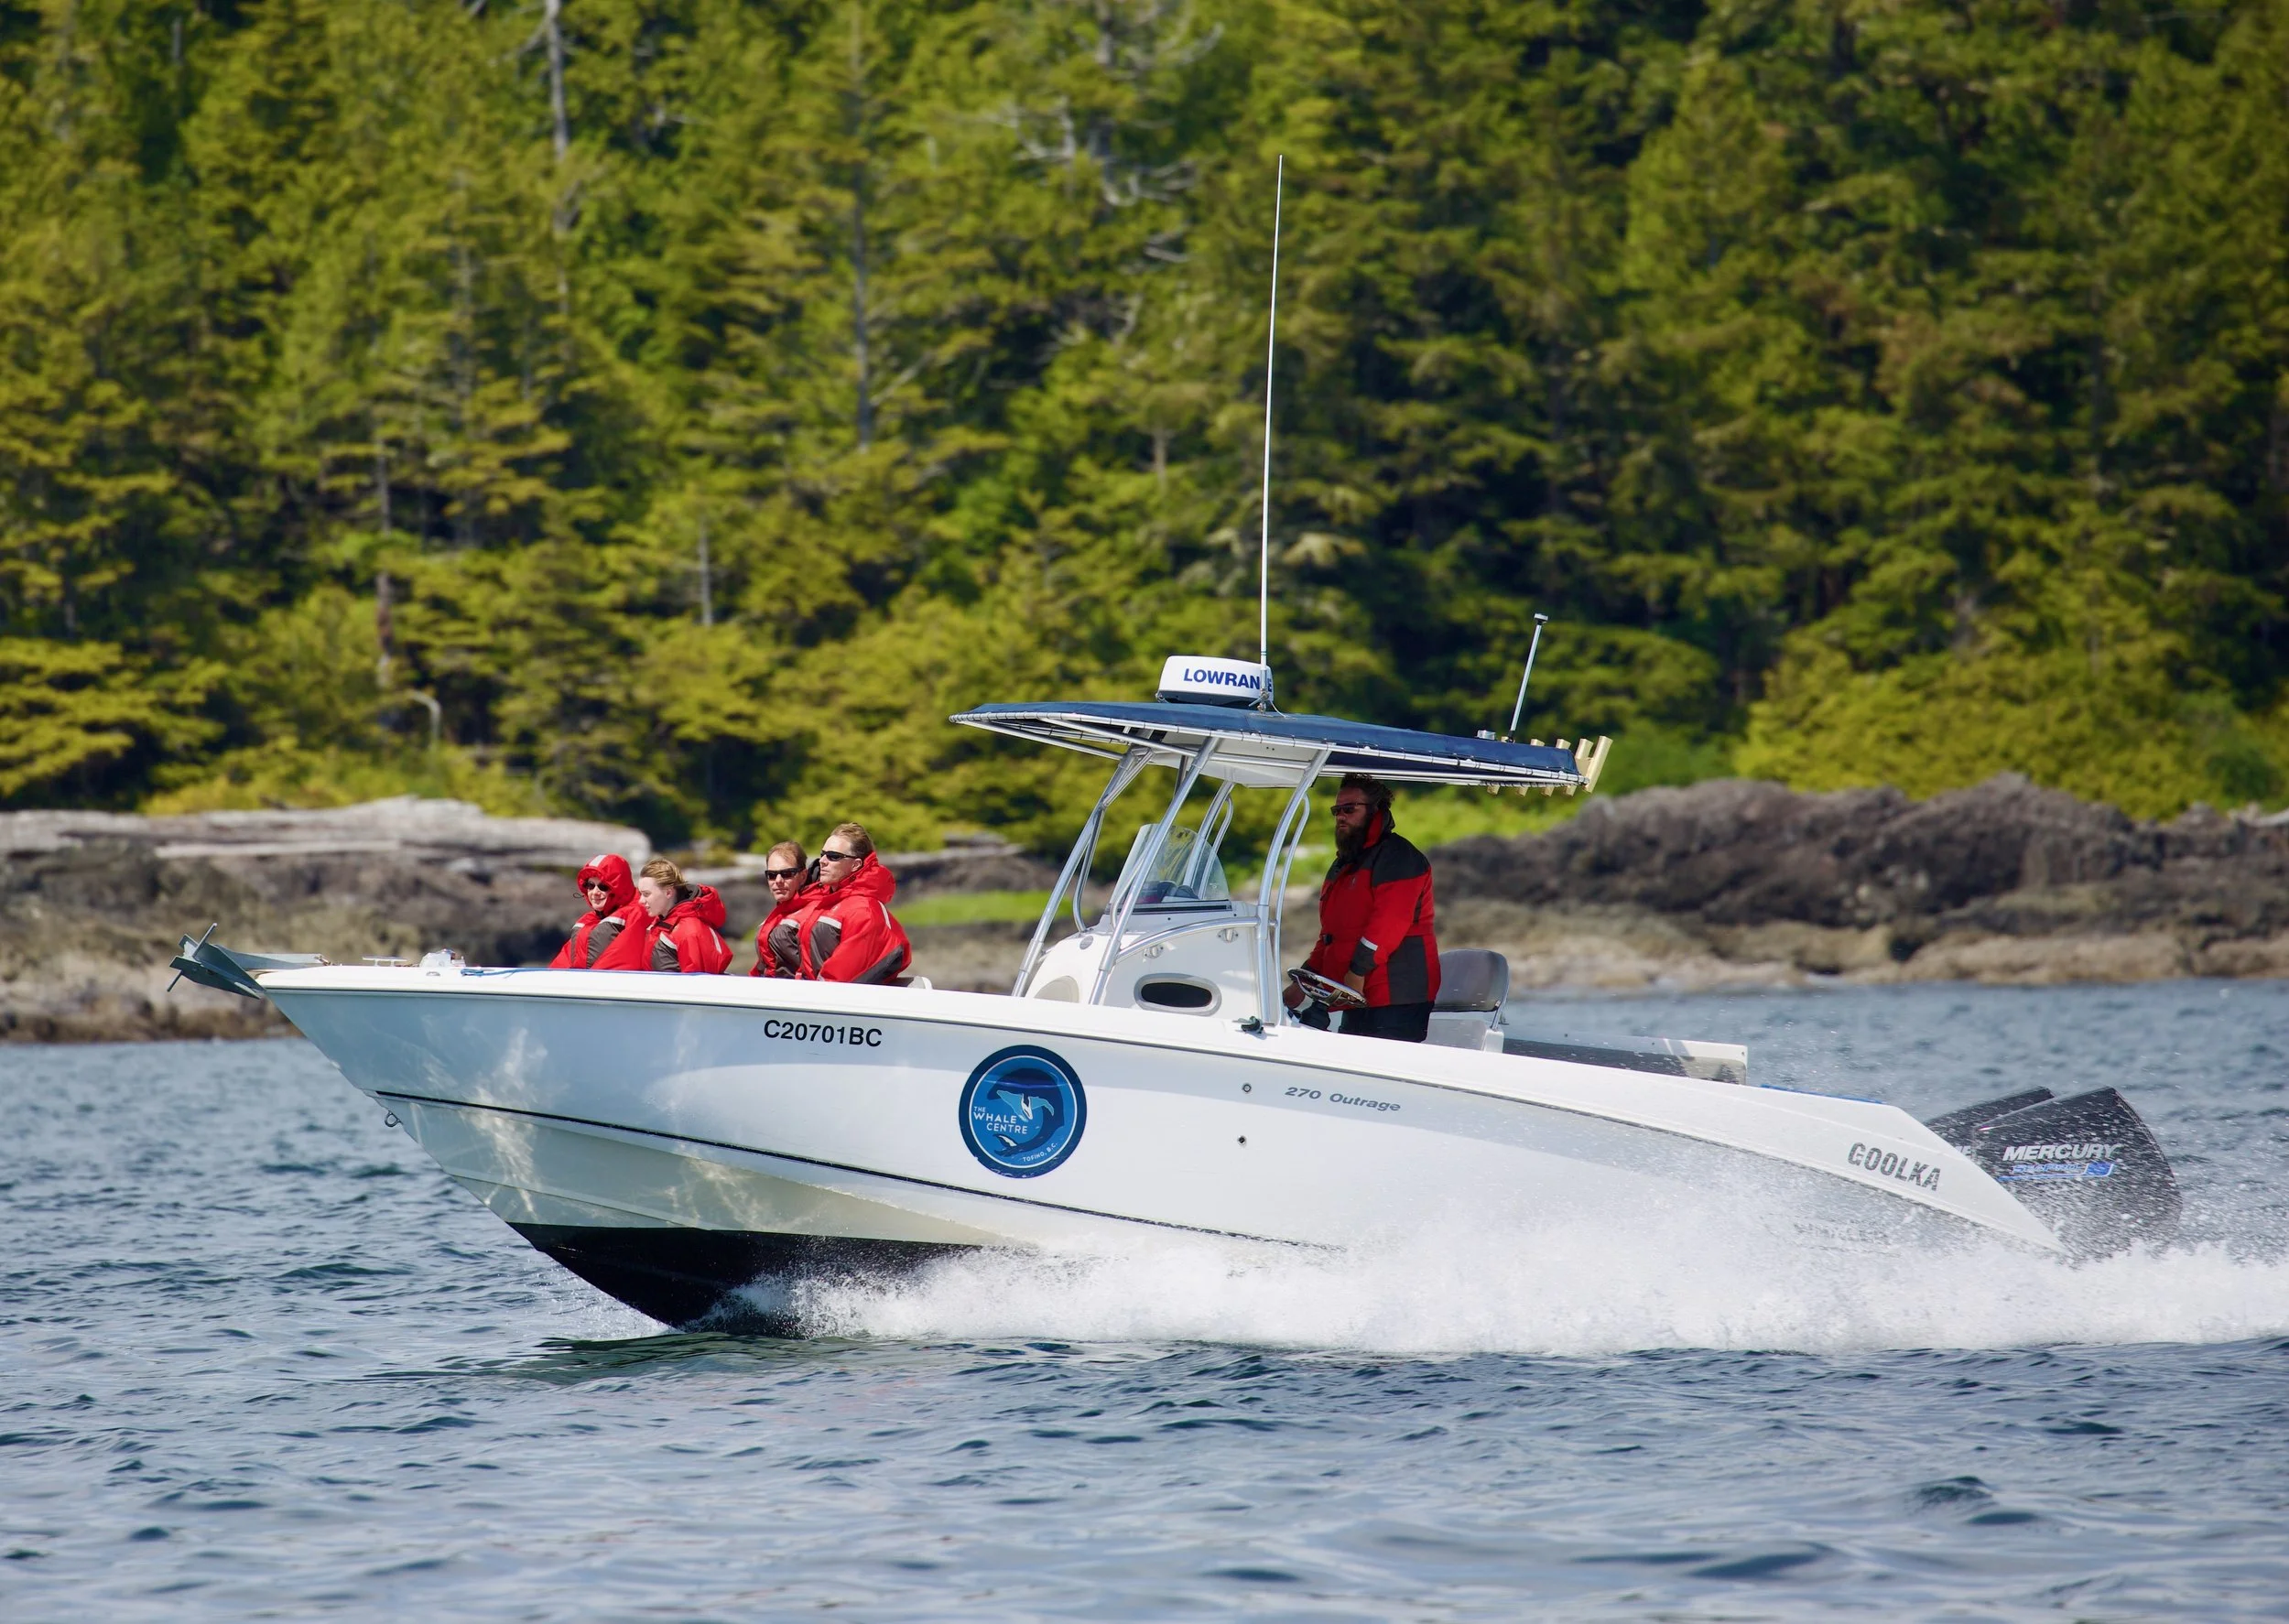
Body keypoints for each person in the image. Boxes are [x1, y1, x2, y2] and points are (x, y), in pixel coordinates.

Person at [1285, 773, 1440, 1041]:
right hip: (1358, 994)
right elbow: (1331, 937)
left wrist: (1356, 972)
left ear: (1376, 811)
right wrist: (1304, 982)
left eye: (1349, 809)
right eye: (1336, 810)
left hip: (1396, 996)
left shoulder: (1399, 858)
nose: (1340, 816)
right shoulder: (1345, 863)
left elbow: (1386, 927)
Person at [797, 822, 913, 984]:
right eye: (823, 854)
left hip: (827, 1003)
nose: (823, 861)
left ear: (856, 865)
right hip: (811, 998)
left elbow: (837, 980)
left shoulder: (864, 911)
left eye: (833, 856)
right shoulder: (829, 902)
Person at [594, 857, 732, 973]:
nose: (641, 901)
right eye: (641, 894)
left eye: (646, 894)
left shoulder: (690, 930)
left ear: (668, 892)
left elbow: (697, 991)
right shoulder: (661, 923)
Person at [548, 853, 643, 969]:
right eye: (590, 886)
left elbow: (621, 961)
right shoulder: (588, 921)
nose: (595, 892)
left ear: (618, 889)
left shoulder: (637, 913)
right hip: (589, 984)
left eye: (603, 887)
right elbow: (561, 963)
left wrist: (585, 982)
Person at [748, 840, 819, 978]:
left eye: (787, 874)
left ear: (803, 876)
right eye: (772, 875)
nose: (778, 880)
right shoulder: (780, 912)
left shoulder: (814, 914)